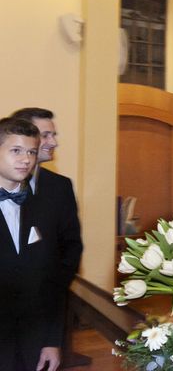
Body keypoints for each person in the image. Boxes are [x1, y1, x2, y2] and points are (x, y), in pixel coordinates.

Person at [9, 108, 83, 365]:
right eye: (46, 135)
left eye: (54, 135)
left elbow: (67, 252)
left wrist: (52, 336)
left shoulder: (54, 190)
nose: (53, 142)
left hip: (38, 325)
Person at [0, 117, 61, 371]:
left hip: (31, 344)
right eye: (16, 150)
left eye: (31, 152)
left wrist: (51, 341)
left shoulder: (44, 208)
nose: (26, 159)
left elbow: (51, 280)